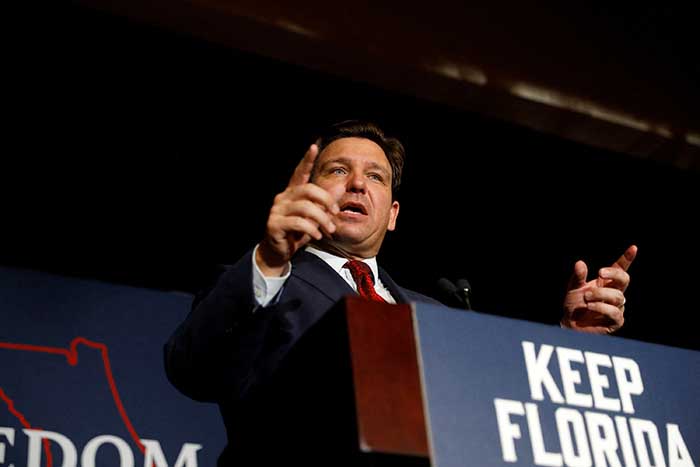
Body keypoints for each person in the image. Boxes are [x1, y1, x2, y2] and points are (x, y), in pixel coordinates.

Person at [164, 120, 637, 466]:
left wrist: (574, 340)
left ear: (391, 214)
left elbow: (502, 418)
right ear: (306, 191)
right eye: (337, 171)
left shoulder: (436, 312)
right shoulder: (263, 279)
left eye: (374, 176)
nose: (356, 184)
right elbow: (195, 370)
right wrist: (269, 259)